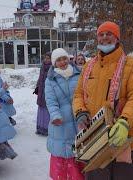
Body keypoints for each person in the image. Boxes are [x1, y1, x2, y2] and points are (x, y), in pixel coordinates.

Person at [73, 21, 133, 180]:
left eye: (109, 34)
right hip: (95, 139)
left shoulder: (132, 64)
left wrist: (125, 121)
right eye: (101, 34)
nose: (104, 37)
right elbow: (79, 94)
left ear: (117, 38)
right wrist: (80, 112)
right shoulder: (89, 66)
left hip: (121, 137)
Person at [45, 48, 84, 180]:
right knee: (63, 153)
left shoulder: (79, 74)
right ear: (54, 63)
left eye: (64, 58)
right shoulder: (50, 80)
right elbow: (50, 101)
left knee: (80, 152)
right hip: (61, 122)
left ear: (68, 58)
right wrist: (55, 115)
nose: (62, 62)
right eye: (58, 60)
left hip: (80, 119)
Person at [0, 58, 17, 126]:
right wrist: (7, 98)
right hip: (2, 100)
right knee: (3, 113)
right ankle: (7, 121)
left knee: (1, 113)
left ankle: (7, 120)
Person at [33, 52, 52, 136]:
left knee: (48, 110)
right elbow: (40, 78)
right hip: (41, 90)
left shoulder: (53, 68)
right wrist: (37, 87)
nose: (46, 60)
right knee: (41, 110)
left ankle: (48, 129)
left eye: (48, 58)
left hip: (48, 92)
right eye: (45, 58)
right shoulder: (42, 67)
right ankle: (40, 128)